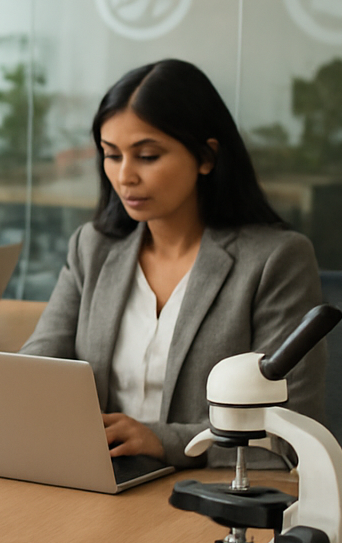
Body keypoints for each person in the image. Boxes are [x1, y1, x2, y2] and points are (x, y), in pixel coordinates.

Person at [20, 58, 326, 469]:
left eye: (147, 156)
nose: (125, 176)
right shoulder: (92, 248)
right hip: (100, 484)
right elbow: (38, 364)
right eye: (111, 155)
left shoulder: (275, 260)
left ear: (206, 156)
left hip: (212, 496)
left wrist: (161, 440)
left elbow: (286, 431)